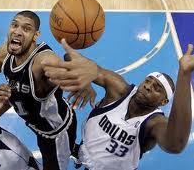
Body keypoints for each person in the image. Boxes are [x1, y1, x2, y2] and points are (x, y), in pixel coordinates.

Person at [0, 10, 95, 170]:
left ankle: (85, 155)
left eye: (26, 29)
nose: (18, 31)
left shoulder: (43, 61)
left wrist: (81, 78)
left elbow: (66, 65)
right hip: (37, 123)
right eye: (14, 25)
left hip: (55, 132)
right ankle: (76, 149)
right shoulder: (5, 52)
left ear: (36, 35)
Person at [42, 39, 193, 170]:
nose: (148, 86)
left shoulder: (154, 123)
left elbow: (175, 144)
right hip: (87, 150)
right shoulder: (118, 89)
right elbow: (70, 57)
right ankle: (81, 156)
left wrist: (184, 74)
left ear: (163, 101)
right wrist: (85, 79)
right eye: (148, 81)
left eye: (156, 88)